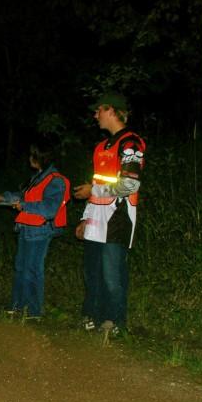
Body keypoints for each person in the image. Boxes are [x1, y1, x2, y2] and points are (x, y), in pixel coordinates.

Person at [73, 92, 146, 336]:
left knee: (112, 274)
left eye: (99, 110)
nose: (95, 115)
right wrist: (85, 217)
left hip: (118, 218)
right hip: (96, 218)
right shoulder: (100, 147)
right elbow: (95, 185)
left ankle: (114, 321)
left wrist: (92, 189)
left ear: (113, 111)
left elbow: (130, 185)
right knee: (92, 273)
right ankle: (92, 316)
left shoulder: (130, 143)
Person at [0, 143, 70, 320]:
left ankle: (34, 311)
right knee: (21, 268)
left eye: (32, 155)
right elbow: (23, 195)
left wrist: (24, 206)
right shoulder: (38, 177)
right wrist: (4, 197)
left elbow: (50, 208)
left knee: (33, 269)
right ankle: (18, 306)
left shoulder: (55, 180)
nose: (29, 159)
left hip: (40, 231)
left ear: (40, 157)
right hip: (27, 228)